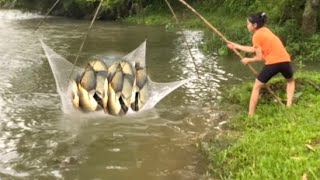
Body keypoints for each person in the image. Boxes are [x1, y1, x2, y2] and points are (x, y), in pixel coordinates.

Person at [227, 12, 295, 117]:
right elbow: (255, 49)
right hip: (285, 60)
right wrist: (235, 46)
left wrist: (248, 60)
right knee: (290, 81)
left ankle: (250, 115)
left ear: (254, 25)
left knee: (257, 86)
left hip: (273, 62)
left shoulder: (256, 36)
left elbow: (259, 58)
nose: (247, 26)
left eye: (248, 23)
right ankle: (289, 106)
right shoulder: (266, 31)